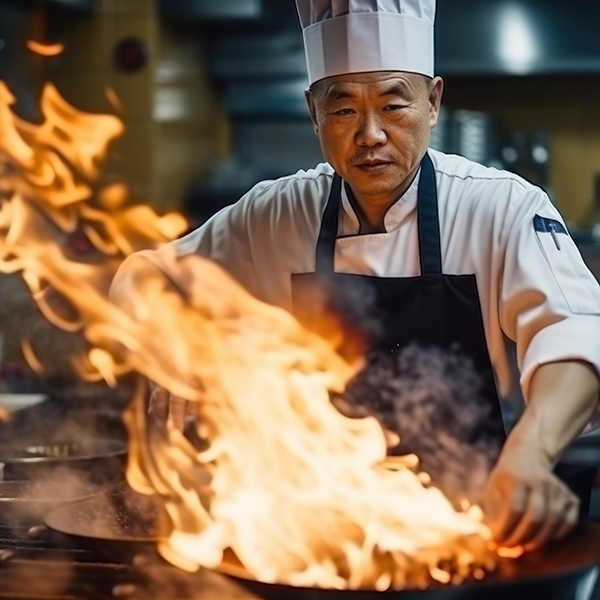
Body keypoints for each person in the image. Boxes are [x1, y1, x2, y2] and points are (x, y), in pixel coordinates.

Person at [112, 0, 600, 552]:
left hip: (469, 530)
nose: (370, 134)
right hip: (318, 541)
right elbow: (140, 277)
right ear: (312, 111)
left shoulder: (499, 208)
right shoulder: (275, 214)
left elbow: (576, 334)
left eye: (394, 105)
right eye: (343, 110)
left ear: (433, 101)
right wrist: (173, 341)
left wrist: (531, 454)